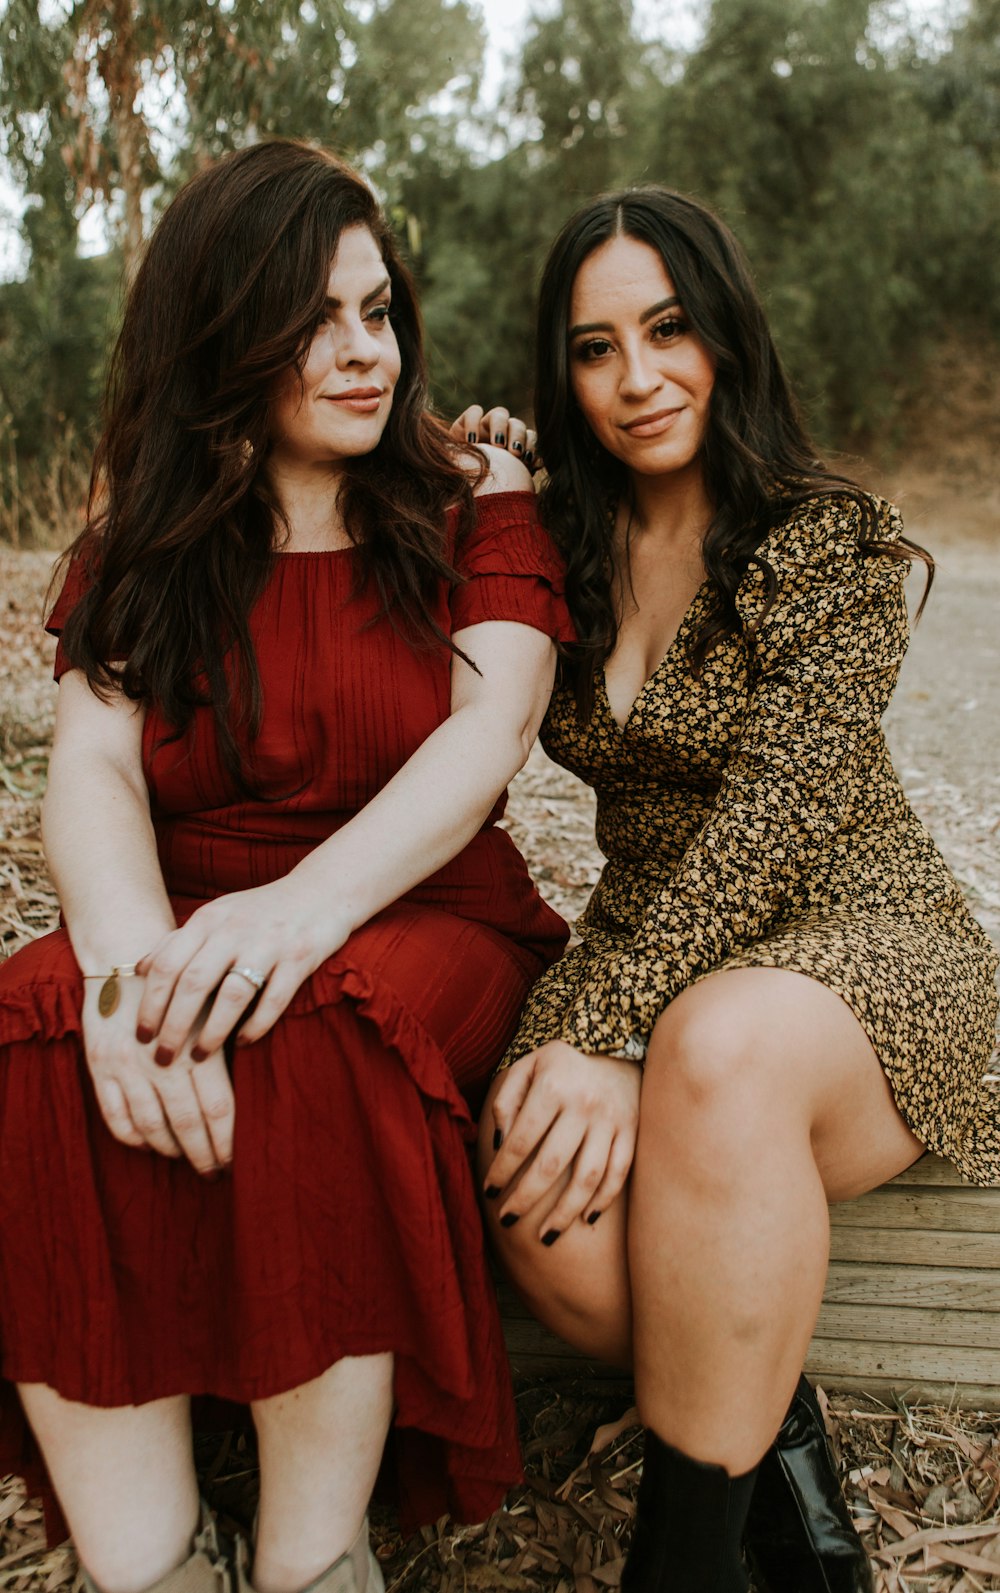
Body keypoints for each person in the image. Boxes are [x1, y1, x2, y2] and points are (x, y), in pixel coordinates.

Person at [0, 139, 576, 1593]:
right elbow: (94, 763)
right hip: (194, 911)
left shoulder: (466, 498)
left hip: (417, 914)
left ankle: (314, 1561)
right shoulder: (148, 534)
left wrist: (297, 912)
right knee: (41, 1020)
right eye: (318, 318)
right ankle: (149, 1565)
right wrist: (131, 966)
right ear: (225, 330)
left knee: (313, 1026)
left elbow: (490, 728)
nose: (366, 350)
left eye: (380, 312)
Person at [456, 187, 1000, 1592]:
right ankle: (785, 1464)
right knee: (542, 1202)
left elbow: (770, 824)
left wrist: (618, 1027)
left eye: (669, 328)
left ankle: (681, 1566)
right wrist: (486, 476)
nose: (636, 379)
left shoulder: (834, 541)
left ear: (726, 335)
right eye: (593, 348)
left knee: (719, 1043)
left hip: (861, 933)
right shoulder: (564, 553)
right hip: (652, 936)